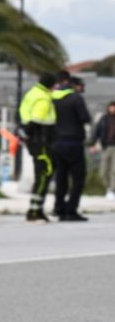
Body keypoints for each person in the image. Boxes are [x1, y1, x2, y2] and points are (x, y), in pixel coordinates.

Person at [51, 71, 91, 221]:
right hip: (73, 143)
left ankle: (58, 208)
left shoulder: (51, 98)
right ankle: (71, 209)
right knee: (78, 179)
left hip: (57, 143)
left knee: (61, 178)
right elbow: (85, 118)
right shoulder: (75, 98)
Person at [18, 72, 57, 223]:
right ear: (51, 85)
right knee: (44, 175)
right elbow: (37, 120)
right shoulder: (43, 98)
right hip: (42, 142)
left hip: (33, 142)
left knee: (41, 175)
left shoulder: (32, 93)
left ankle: (37, 209)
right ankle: (34, 211)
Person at [91, 100, 115, 200]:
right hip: (106, 146)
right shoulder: (104, 119)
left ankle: (112, 190)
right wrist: (93, 144)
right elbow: (97, 131)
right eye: (112, 107)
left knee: (114, 170)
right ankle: (108, 188)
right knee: (104, 170)